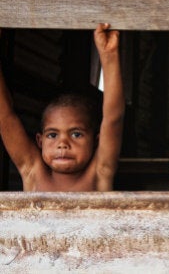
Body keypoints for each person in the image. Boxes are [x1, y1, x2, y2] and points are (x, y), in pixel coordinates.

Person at [0, 24, 124, 191]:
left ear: (96, 141)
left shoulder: (99, 173)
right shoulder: (33, 172)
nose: (63, 144)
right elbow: (5, 116)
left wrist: (109, 56)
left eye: (76, 134)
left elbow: (113, 119)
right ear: (40, 141)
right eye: (52, 135)